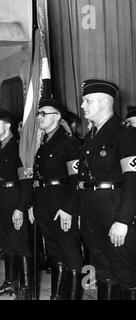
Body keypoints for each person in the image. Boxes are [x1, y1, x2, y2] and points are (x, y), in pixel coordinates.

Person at [78, 79, 136, 300]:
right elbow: (82, 181)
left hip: (114, 213)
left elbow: (132, 180)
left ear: (104, 102)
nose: (83, 105)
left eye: (87, 100)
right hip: (93, 214)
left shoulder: (124, 134)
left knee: (125, 271)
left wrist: (122, 220)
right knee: (103, 270)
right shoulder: (89, 137)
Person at [32, 98, 83, 300]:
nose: (39, 117)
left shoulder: (69, 142)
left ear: (58, 117)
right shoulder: (43, 143)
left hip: (62, 204)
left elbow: (77, 180)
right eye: (38, 113)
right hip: (44, 203)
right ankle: (57, 295)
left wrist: (69, 208)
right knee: (54, 252)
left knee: (70, 253)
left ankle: (73, 296)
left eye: (44, 113)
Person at [0, 108, 33, 300]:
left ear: (7, 125)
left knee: (19, 243)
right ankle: (10, 283)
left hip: (14, 196)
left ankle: (26, 289)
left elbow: (26, 181)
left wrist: (20, 208)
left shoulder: (18, 147)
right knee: (6, 242)